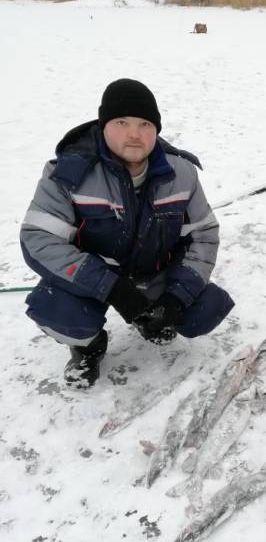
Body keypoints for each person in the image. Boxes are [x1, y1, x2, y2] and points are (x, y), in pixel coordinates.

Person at [20, 78, 234, 387]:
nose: (134, 133)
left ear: (156, 130)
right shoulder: (68, 174)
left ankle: (157, 316)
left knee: (206, 308)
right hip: (94, 280)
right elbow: (39, 238)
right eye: (122, 122)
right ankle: (88, 346)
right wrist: (114, 289)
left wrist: (175, 299)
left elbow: (204, 234)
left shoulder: (182, 173)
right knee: (56, 310)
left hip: (155, 273)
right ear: (104, 124)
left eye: (145, 123)